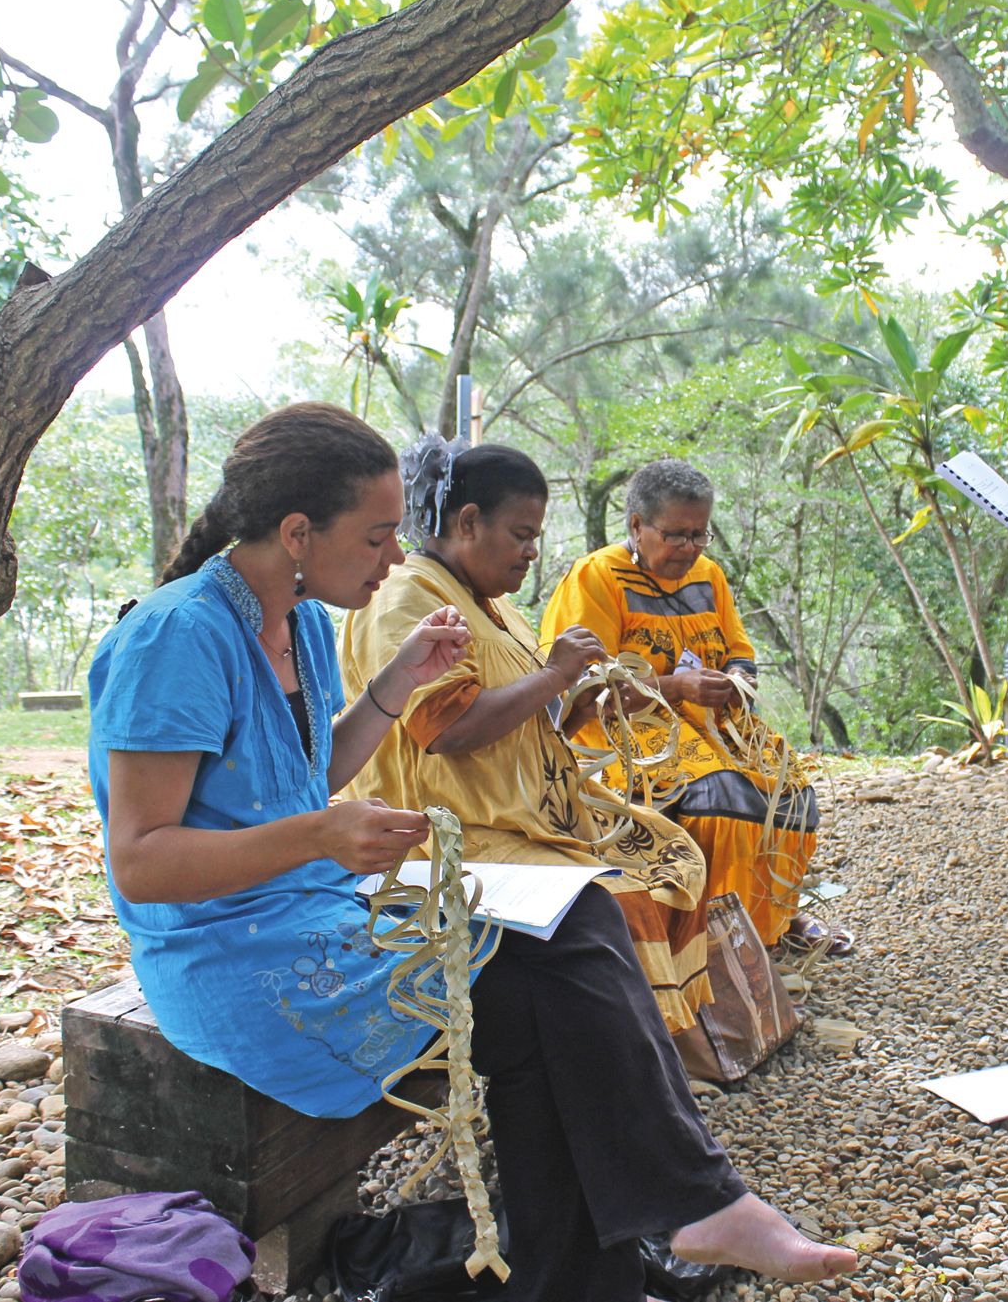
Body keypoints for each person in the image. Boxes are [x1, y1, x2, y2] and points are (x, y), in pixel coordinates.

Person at [87, 404, 856, 1299]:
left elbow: (302, 772)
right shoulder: (177, 636)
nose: (391, 557)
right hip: (235, 955)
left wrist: (388, 689)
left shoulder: (294, 620)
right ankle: (681, 1207)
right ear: (298, 533)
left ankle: (612, 1253)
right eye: (377, 537)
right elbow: (141, 861)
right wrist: (322, 834)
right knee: (554, 978)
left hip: (314, 906)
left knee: (576, 926)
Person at [337, 440, 714, 1034]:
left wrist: (579, 695)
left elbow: (532, 721)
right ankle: (624, 1051)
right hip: (453, 834)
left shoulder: (497, 607)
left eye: (535, 537)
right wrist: (554, 674)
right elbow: (448, 728)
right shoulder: (406, 595)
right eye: (521, 534)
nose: (532, 553)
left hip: (531, 816)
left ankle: (662, 1041)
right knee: (622, 903)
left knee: (671, 853)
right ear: (467, 522)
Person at [540, 459, 846, 953]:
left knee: (792, 791)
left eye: (700, 535)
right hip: (627, 731)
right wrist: (676, 688)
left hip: (713, 724)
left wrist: (738, 678)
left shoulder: (708, 576)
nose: (689, 548)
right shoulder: (596, 578)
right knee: (721, 800)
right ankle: (713, 942)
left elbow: (739, 649)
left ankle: (772, 920)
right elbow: (583, 692)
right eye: (676, 535)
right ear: (637, 526)